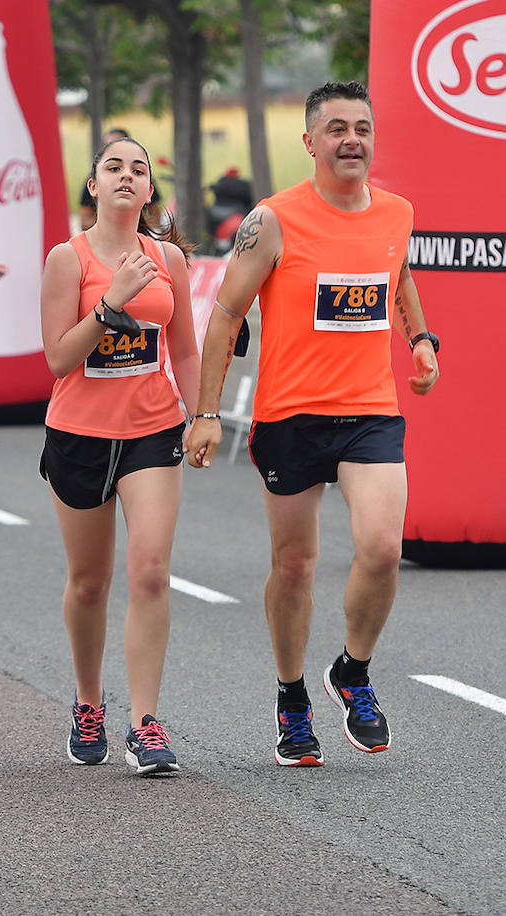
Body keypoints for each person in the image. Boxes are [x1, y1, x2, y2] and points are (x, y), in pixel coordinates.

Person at [185, 81, 440, 767]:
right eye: (335, 129)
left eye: (361, 127)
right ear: (309, 142)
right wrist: (207, 413)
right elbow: (227, 314)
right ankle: (292, 699)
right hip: (290, 414)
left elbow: (400, 273)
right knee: (294, 565)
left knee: (382, 547)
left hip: (369, 412)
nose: (350, 139)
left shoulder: (396, 213)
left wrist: (421, 339)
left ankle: (352, 673)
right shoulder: (272, 221)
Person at [39, 136, 200, 776]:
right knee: (89, 582)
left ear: (149, 189)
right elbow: (56, 358)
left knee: (152, 570)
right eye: (114, 168)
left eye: (140, 169)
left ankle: (145, 723)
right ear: (94, 186)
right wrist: (110, 305)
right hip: (78, 433)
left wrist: (200, 417)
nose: (128, 177)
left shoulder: (167, 259)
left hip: (152, 431)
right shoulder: (67, 259)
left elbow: (184, 349)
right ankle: (87, 702)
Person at [78, 128, 130, 230]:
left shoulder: (139, 179)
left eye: (138, 171)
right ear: (93, 187)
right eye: (108, 146)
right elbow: (84, 221)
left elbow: (155, 215)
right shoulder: (96, 179)